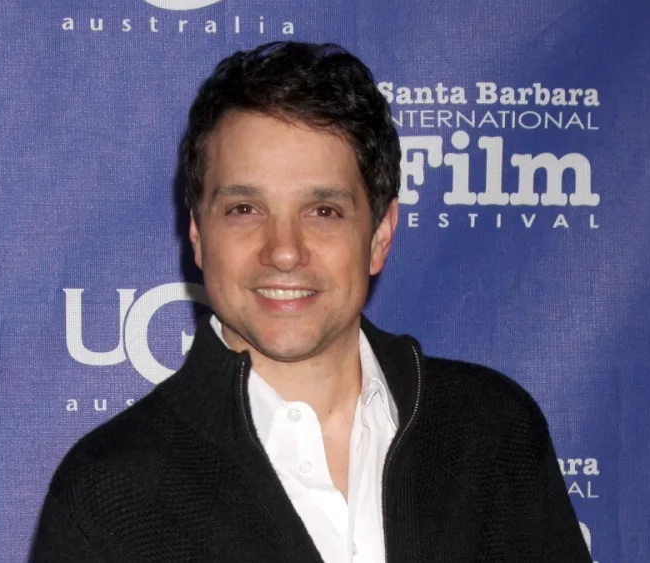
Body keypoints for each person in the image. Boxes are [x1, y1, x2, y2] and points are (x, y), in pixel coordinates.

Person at [30, 41, 592, 562]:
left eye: (323, 211)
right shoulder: (109, 494)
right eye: (244, 209)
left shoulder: (490, 432)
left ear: (379, 236)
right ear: (198, 235)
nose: (283, 251)